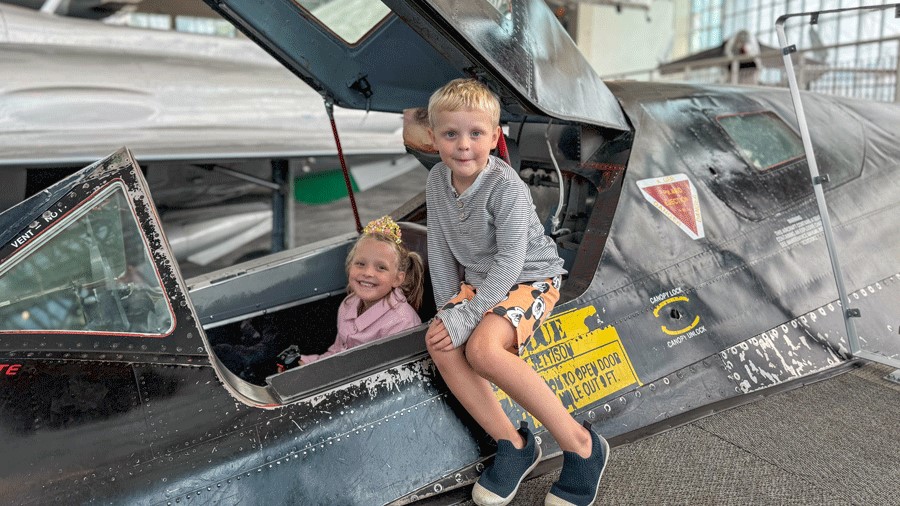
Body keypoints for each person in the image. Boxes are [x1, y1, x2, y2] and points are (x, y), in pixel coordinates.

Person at [423, 78, 609, 506]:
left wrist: (468, 317)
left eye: (475, 134)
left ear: (494, 136)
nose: (463, 145)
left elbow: (510, 260)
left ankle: (581, 445)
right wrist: (448, 314)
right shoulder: (437, 181)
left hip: (529, 277)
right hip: (481, 280)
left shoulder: (506, 187)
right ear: (434, 139)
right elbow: (440, 247)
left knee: (484, 351)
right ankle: (515, 444)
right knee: (441, 343)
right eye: (451, 134)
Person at [299, 216, 424, 365]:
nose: (368, 273)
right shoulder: (349, 303)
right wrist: (307, 364)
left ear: (397, 279)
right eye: (360, 264)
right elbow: (337, 352)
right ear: (350, 266)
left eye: (381, 267)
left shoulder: (402, 323)